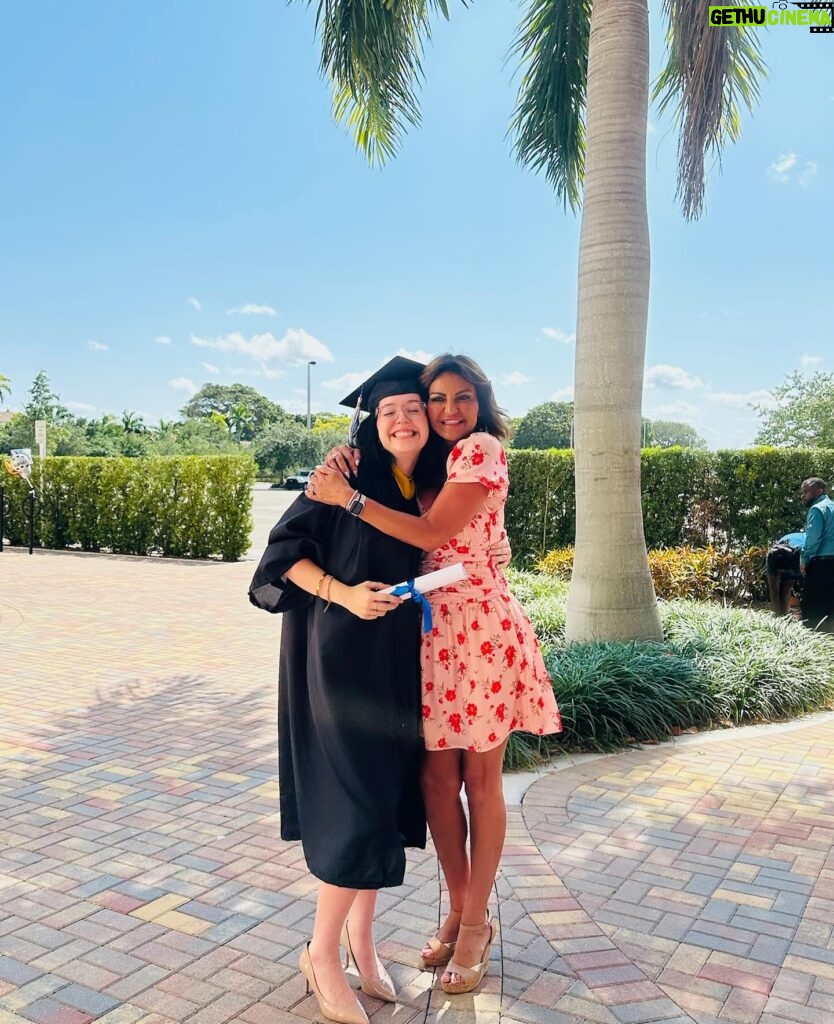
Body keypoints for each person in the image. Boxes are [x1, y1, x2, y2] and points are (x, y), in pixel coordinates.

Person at [308, 353, 562, 995]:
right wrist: (344, 463)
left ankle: (475, 923)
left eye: (462, 397)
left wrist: (350, 498)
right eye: (438, 399)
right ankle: (457, 907)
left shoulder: (479, 450)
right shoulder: (428, 459)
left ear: (483, 402)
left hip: (477, 629)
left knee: (481, 779)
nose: (450, 411)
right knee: (434, 778)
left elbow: (433, 528)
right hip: (429, 634)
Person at [249, 357, 440, 1024]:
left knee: (384, 800)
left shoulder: (430, 481)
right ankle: (321, 954)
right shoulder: (344, 473)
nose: (400, 419)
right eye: (386, 412)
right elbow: (280, 559)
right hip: (334, 653)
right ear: (370, 423)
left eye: (411, 409)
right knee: (357, 801)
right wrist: (343, 594)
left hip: (392, 661)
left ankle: (361, 940)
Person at [799, 477, 834, 633]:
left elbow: (812, 540)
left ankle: (812, 643)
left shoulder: (818, 509)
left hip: (822, 564)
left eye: (806, 491)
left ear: (819, 490)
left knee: (812, 606)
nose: (803, 496)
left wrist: (804, 561)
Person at [765, 530, 805, 616]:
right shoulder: (772, 559)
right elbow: (773, 591)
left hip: (797, 555)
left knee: (787, 586)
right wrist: (777, 616)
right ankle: (781, 616)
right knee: (776, 588)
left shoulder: (804, 553)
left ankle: (785, 613)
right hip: (779, 557)